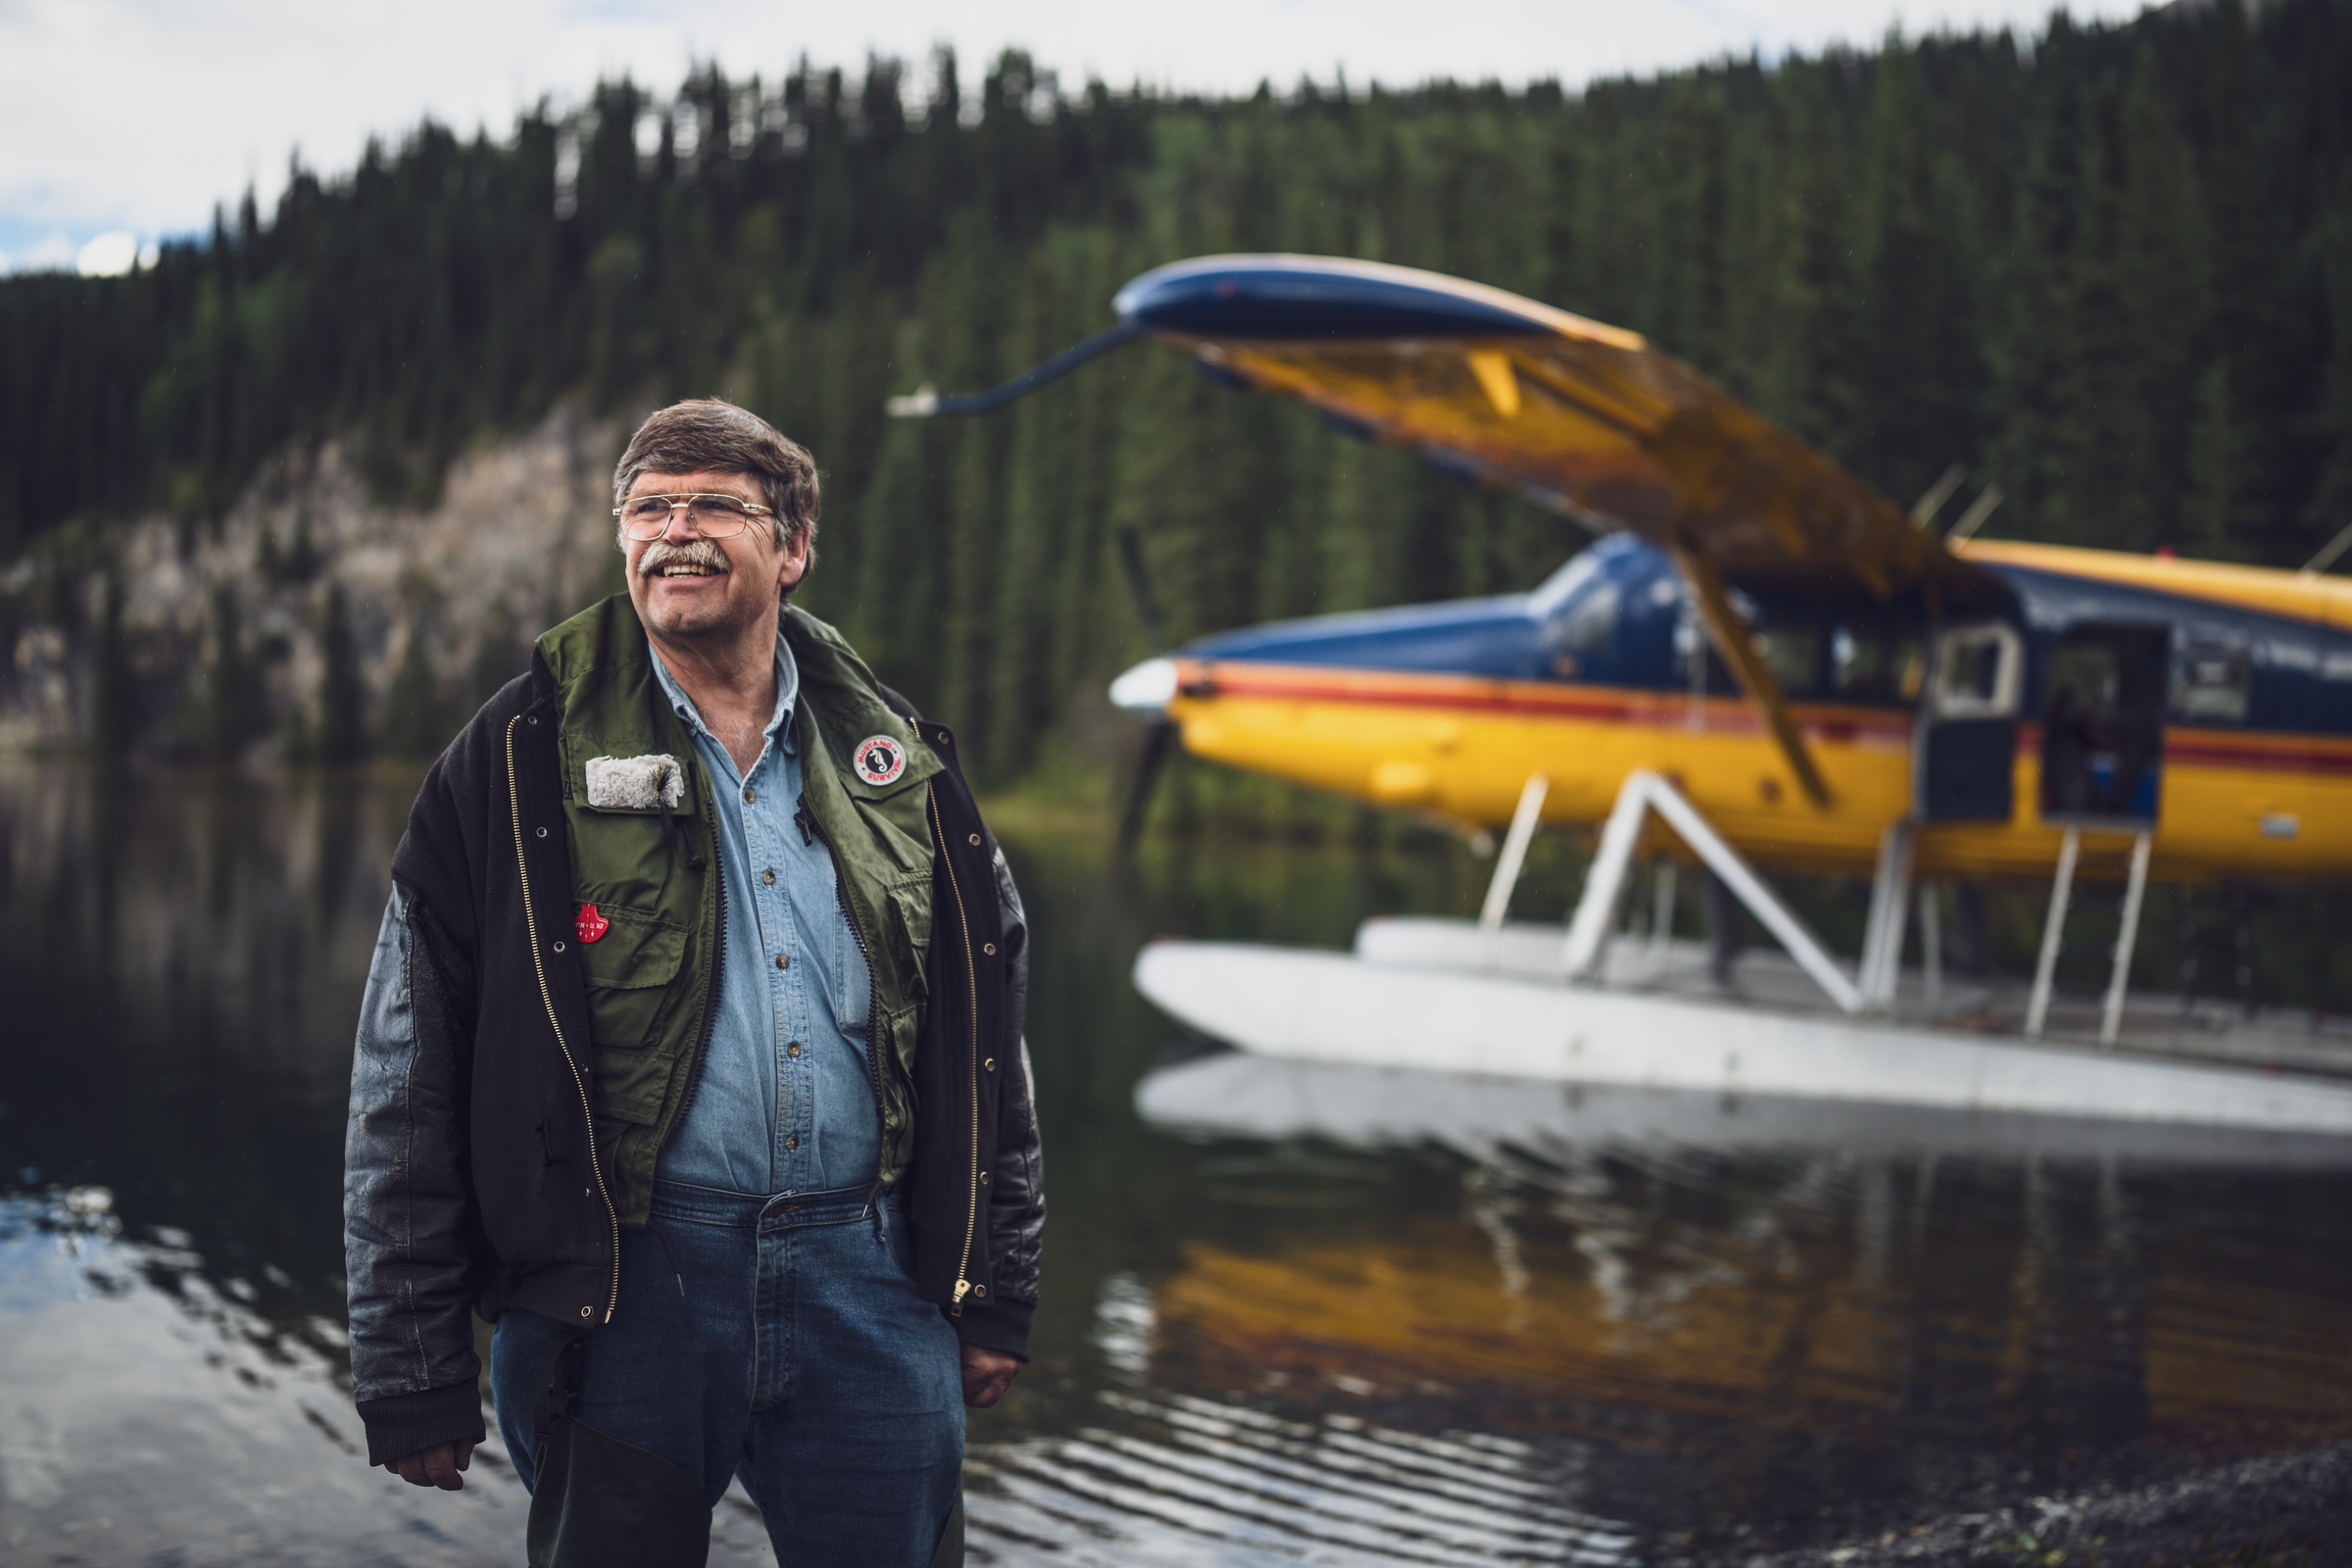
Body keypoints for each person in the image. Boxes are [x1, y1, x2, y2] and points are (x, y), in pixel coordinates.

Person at [343, 399, 1043, 1566]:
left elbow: (990, 1036)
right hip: (628, 1287)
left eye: (717, 503)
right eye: (648, 507)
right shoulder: (520, 748)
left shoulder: (903, 757)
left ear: (794, 546)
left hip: (873, 1279)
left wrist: (995, 1282)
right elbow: (405, 1063)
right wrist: (410, 1363)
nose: (677, 530)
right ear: (622, 540)